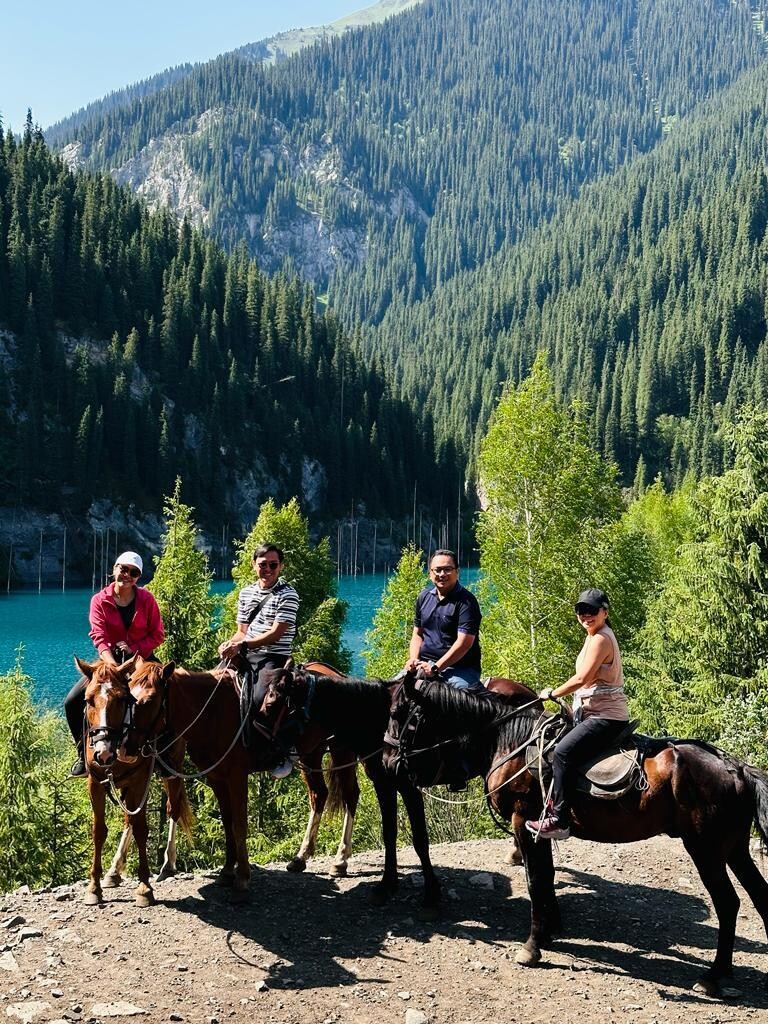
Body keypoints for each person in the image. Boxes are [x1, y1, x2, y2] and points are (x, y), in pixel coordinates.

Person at [526, 588, 629, 841]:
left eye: (592, 610)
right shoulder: (593, 636)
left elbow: (583, 678)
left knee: (562, 752)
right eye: (581, 610)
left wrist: (553, 693)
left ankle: (560, 821)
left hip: (605, 716)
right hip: (592, 712)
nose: (586, 615)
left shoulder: (601, 639)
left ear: (605, 612)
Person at [65, 551, 164, 778]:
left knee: (163, 696)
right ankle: (82, 754)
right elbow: (98, 636)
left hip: (142, 661)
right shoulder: (99, 600)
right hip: (108, 664)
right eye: (123, 569)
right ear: (115, 568)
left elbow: (157, 635)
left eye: (134, 572)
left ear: (138, 577)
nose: (127, 575)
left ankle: (161, 755)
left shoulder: (147, 600)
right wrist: (112, 666)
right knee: (71, 702)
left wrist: (133, 649)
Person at [218, 543, 300, 777]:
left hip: (273, 656)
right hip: (245, 652)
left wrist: (242, 645)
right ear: (254, 565)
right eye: (263, 564)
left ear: (281, 566)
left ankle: (275, 752)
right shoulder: (246, 593)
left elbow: (277, 633)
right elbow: (241, 630)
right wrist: (229, 644)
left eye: (273, 565)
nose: (268, 569)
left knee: (260, 698)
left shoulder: (288, 594)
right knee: (213, 687)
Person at [405, 549, 483, 691]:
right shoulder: (424, 597)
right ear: (430, 573)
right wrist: (413, 660)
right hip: (424, 664)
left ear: (457, 572)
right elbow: (417, 634)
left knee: (463, 702)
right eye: (438, 570)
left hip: (459, 669)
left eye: (448, 569)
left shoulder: (467, 602)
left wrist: (435, 668)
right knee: (391, 694)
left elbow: (464, 643)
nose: (442, 574)